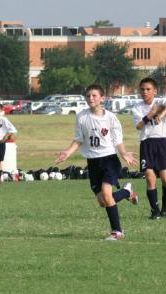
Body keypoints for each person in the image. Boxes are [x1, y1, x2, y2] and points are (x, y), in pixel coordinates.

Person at [55, 84, 138, 241]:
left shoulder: (111, 118)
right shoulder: (81, 117)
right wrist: (67, 152)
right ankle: (127, 192)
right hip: (93, 163)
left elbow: (118, 140)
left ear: (102, 98)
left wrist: (124, 153)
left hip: (109, 160)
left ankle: (117, 232)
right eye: (88, 96)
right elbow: (79, 140)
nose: (90, 98)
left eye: (94, 95)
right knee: (103, 201)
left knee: (107, 195)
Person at [131, 77, 166, 220]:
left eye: (148, 89)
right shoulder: (137, 107)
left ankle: (164, 208)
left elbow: (164, 106)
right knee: (150, 178)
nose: (144, 92)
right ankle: (155, 210)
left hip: (162, 142)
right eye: (142, 89)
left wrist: (161, 113)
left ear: (155, 91)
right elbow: (139, 126)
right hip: (146, 143)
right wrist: (151, 114)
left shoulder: (161, 102)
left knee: (164, 177)